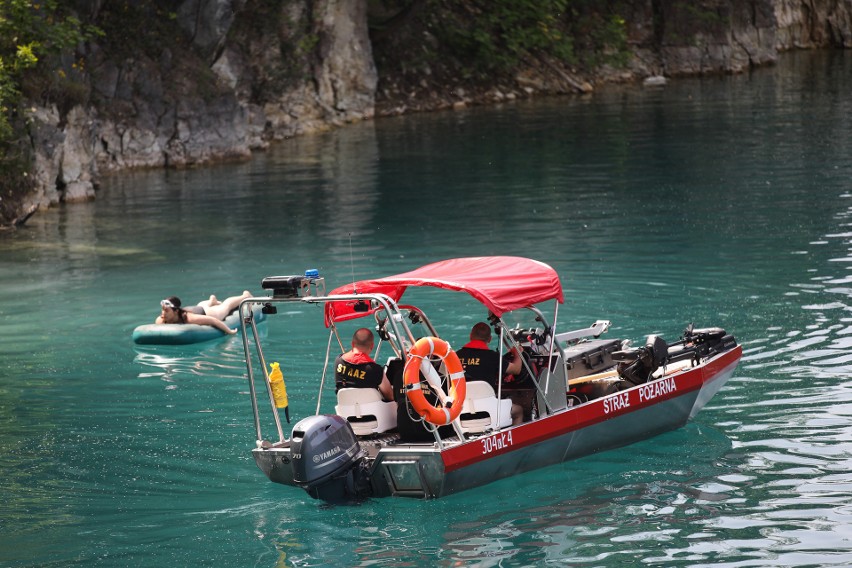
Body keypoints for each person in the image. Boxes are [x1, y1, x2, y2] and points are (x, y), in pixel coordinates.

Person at [455, 322, 524, 425]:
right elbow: (516, 369)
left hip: (461, 410)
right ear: (490, 339)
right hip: (489, 410)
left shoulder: (456, 356)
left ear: (470, 336)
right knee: (519, 411)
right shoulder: (493, 357)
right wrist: (517, 353)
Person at [334, 328, 393, 401]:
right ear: (372, 346)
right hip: (372, 410)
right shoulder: (376, 370)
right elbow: (390, 397)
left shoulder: (338, 361)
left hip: (345, 410)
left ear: (352, 344)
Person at [155, 291, 252, 335]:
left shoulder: (189, 318)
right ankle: (212, 301)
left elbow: (213, 320)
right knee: (201, 305)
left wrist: (229, 332)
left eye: (166, 310)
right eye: (162, 309)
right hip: (196, 308)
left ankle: (245, 296)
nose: (163, 313)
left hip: (208, 313)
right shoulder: (161, 320)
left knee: (226, 306)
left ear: (176, 311)